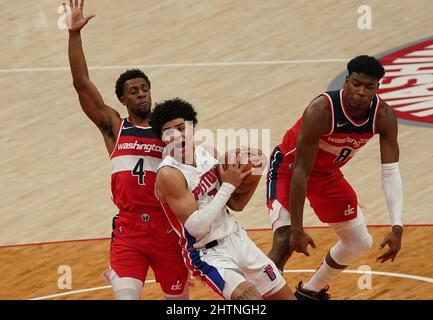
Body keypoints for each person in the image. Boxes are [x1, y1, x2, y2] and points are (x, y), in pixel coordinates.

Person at [66, 0, 189, 300]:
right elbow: (81, 84)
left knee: (178, 304)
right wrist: (74, 35)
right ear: (122, 99)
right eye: (134, 91)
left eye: (145, 89)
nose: (142, 94)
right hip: (129, 230)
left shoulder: (169, 131)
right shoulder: (115, 127)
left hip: (168, 228)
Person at [266, 55, 403, 299]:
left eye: (369, 87)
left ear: (377, 88)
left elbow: (390, 172)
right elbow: (300, 171)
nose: (361, 92)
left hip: (326, 174)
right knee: (285, 239)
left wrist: (397, 225)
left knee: (359, 242)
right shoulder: (321, 110)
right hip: (289, 168)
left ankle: (310, 292)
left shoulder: (383, 116)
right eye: (356, 84)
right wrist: (298, 227)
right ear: (346, 81)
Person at [149, 98, 296, 300]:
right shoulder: (168, 174)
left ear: (193, 128)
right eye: (169, 131)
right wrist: (229, 185)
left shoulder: (207, 153)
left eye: (182, 127)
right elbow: (196, 227)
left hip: (237, 238)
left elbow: (236, 204)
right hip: (208, 253)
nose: (177, 135)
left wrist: (252, 175)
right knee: (250, 300)